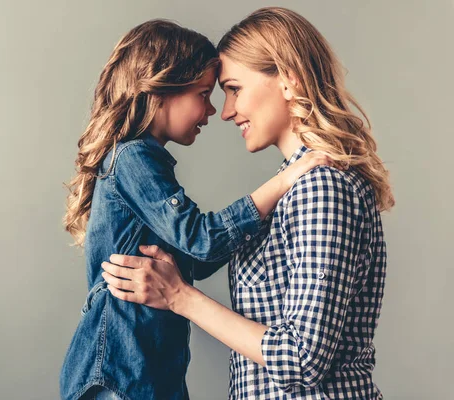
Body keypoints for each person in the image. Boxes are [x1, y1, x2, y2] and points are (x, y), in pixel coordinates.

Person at [102, 7, 395, 399]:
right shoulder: (292, 187)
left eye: (234, 89)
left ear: (288, 81)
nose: (224, 112)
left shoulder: (321, 187)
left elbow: (299, 359)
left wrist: (180, 297)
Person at [60, 19, 332, 400]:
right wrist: (282, 184)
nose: (213, 111)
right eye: (205, 94)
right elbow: (201, 241)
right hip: (120, 372)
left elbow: (196, 259)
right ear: (162, 89)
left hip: (149, 373)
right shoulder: (133, 158)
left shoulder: (146, 162)